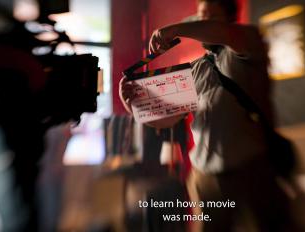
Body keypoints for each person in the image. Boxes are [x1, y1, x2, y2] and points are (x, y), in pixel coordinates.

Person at [120, 0, 292, 231]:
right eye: (200, 15)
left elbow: (227, 34)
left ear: (229, 19)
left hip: (251, 171)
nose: (203, 21)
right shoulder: (195, 69)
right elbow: (169, 119)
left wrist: (176, 29)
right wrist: (130, 103)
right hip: (205, 177)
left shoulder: (248, 41)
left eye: (210, 16)